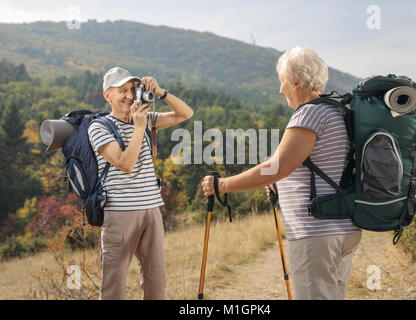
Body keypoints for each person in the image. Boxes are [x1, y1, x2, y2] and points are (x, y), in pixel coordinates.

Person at [201, 46, 361, 300]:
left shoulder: (309, 113)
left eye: (282, 81)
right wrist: (281, 183)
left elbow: (277, 167)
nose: (280, 88)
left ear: (296, 81)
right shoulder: (336, 111)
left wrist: (223, 185)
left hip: (316, 232)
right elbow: (315, 165)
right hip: (342, 228)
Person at [88, 67, 193, 300]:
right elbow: (125, 164)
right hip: (120, 213)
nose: (129, 95)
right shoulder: (99, 127)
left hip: (151, 209)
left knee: (156, 280)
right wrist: (137, 127)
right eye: (122, 90)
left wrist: (160, 92)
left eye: (132, 89)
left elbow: (185, 113)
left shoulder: (147, 120)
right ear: (108, 95)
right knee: (114, 284)